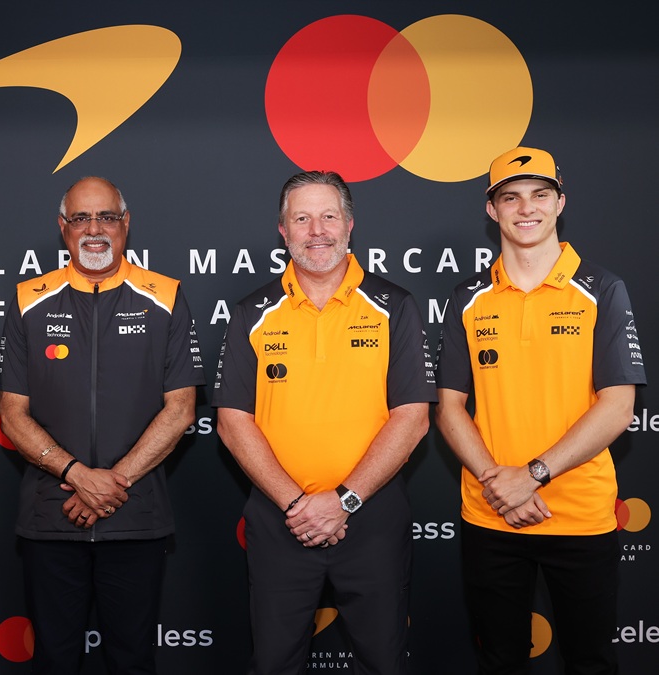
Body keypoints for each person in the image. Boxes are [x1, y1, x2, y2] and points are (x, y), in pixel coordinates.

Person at [213, 170, 436, 675]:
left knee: (383, 661)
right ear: (283, 231)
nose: (317, 230)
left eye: (328, 216)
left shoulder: (394, 306)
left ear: (350, 225)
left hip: (373, 516)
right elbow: (232, 422)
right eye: (302, 218)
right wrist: (298, 505)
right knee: (272, 663)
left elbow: (413, 417)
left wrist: (345, 501)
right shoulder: (252, 311)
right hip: (279, 520)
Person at [434, 146, 646, 674]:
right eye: (510, 197)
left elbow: (619, 406)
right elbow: (449, 408)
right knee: (499, 661)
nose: (525, 208)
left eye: (539, 195)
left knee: (591, 662)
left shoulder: (603, 289)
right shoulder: (467, 297)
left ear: (559, 203)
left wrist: (532, 475)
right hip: (491, 514)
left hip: (580, 516)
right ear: (492, 211)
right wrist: (497, 483)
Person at [0, 176, 205, 674]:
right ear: (62, 227)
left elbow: (181, 410)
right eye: (81, 218)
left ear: (125, 224)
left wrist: (114, 483)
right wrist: (77, 476)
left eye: (107, 217)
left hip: (135, 517)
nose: (95, 229)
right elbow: (11, 412)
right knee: (54, 660)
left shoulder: (167, 296)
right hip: (53, 517)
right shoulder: (28, 300)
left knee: (132, 660)